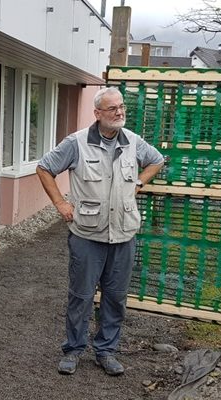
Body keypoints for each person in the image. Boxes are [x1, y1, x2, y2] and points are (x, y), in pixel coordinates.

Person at [36, 87, 164, 376]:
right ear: (97, 114)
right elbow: (44, 168)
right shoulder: (77, 143)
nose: (119, 112)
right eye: (112, 109)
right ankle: (73, 350)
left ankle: (106, 351)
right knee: (81, 296)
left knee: (115, 298)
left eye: (121, 107)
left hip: (124, 235)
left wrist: (139, 182)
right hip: (87, 235)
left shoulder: (133, 141)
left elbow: (157, 160)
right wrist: (60, 202)